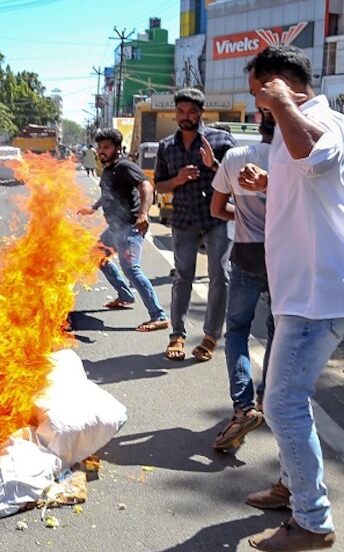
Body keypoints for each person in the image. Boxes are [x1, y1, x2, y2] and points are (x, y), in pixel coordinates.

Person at [237, 45, 344, 552]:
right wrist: (267, 182)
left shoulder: (324, 120)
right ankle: (292, 487)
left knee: (282, 401)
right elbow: (310, 182)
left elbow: (316, 157)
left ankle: (313, 520)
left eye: (260, 94)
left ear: (280, 84)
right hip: (300, 288)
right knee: (283, 395)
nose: (258, 107)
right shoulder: (289, 128)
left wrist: (282, 104)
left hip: (319, 289)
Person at [208, 112, 276, 453]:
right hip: (285, 259)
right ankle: (267, 399)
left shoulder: (235, 158)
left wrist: (245, 212)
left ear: (259, 127)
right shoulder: (294, 161)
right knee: (278, 329)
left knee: (236, 330)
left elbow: (218, 209)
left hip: (247, 255)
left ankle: (243, 406)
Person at [153, 89, 237, 362]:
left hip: (217, 217)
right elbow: (159, 184)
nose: (185, 117)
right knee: (182, 275)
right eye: (180, 111)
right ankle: (176, 335)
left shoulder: (221, 139)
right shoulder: (166, 146)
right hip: (184, 219)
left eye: (191, 112)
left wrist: (213, 166)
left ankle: (211, 336)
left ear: (201, 112)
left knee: (220, 274)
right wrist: (176, 180)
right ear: (175, 113)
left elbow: (235, 178)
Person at [78, 128, 169, 333]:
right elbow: (110, 194)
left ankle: (158, 316)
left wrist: (143, 214)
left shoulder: (124, 166)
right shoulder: (110, 169)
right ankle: (126, 295)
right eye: (100, 147)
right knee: (97, 256)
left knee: (131, 270)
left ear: (118, 148)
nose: (102, 151)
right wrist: (93, 208)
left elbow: (146, 186)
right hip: (115, 228)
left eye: (107, 147)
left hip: (129, 228)